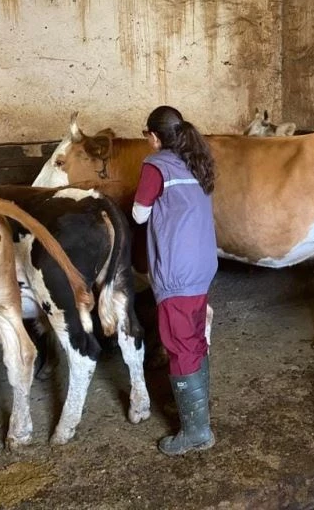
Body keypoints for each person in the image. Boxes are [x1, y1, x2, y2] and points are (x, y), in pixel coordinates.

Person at [132, 105, 218, 455]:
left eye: (147, 135)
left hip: (177, 269)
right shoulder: (196, 161)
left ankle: (197, 432)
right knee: (194, 337)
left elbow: (139, 214)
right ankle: (198, 409)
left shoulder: (156, 166)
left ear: (154, 136)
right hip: (202, 264)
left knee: (179, 345)